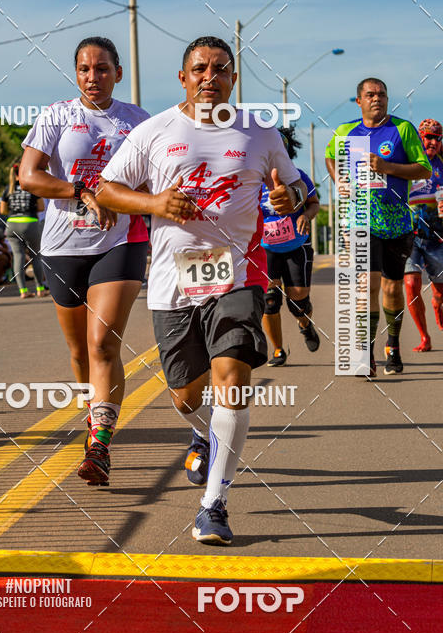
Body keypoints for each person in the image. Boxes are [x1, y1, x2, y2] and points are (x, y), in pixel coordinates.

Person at [97, 35, 305, 545]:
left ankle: (214, 504)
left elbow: (304, 191)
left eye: (220, 69)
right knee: (184, 393)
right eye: (200, 69)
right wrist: (154, 205)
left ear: (233, 79)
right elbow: (104, 189)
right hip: (173, 281)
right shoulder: (155, 131)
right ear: (183, 78)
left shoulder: (259, 132)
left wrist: (289, 195)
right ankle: (201, 431)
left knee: (232, 375)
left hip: (237, 275)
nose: (209, 77)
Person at [19, 36, 149, 485]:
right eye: (84, 69)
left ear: (117, 71)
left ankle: (100, 444)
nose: (93, 77)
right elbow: (29, 175)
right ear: (76, 74)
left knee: (102, 345)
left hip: (121, 241)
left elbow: (158, 175)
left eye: (101, 68)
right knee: (78, 351)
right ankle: (92, 413)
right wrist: (81, 192)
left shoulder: (138, 120)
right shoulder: (57, 115)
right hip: (61, 246)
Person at [325, 79, 431, 376]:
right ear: (358, 101)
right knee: (366, 286)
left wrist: (386, 167)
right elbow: (330, 155)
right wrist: (339, 180)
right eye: (370, 95)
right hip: (360, 220)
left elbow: (423, 168)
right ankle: (366, 353)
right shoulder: (346, 131)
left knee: (392, 288)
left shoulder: (402, 129)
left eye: (382, 94)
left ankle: (393, 346)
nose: (377, 99)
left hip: (397, 221)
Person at [261, 127, 320, 366]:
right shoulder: (253, 179)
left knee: (297, 301)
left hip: (297, 245)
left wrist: (306, 215)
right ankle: (277, 350)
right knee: (270, 300)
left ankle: (305, 323)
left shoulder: (299, 176)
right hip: (266, 247)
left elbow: (314, 204)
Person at [404, 118, 443, 351]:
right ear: (419, 138)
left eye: (437, 138)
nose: (432, 142)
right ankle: (425, 337)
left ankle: (438, 308)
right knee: (411, 283)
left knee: (439, 295)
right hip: (409, 236)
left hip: (437, 235)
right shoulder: (407, 161)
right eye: (428, 137)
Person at [0, 162, 48, 298]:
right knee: (36, 256)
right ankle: (40, 289)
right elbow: (41, 207)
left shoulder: (7, 189)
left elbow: (3, 210)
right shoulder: (30, 187)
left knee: (18, 257)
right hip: (30, 223)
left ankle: (23, 291)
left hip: (12, 224)